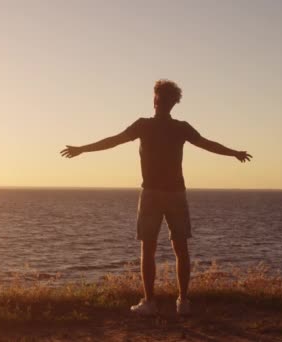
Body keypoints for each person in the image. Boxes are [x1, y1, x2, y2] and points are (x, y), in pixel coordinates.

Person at [60, 79, 252, 316]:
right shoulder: (182, 128)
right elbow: (208, 145)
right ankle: (183, 302)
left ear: (155, 100)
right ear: (173, 103)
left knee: (148, 249)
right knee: (181, 248)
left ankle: (149, 303)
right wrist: (234, 153)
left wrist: (82, 149)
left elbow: (113, 141)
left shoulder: (143, 125)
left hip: (151, 193)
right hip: (176, 194)